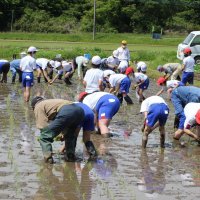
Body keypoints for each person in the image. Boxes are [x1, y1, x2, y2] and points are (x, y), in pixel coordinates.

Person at [31, 97, 97, 163]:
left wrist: (46, 135)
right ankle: (70, 157)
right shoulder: (51, 102)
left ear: (33, 107)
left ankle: (48, 159)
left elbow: (43, 126)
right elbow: (62, 122)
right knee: (70, 135)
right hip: (79, 111)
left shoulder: (38, 106)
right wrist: (60, 134)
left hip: (67, 111)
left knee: (44, 138)